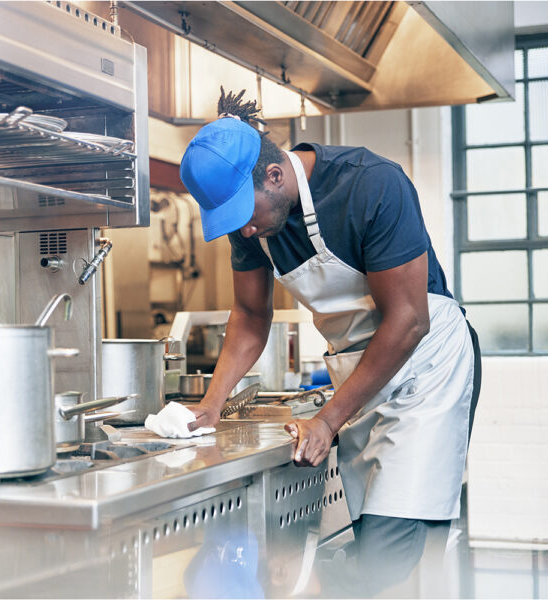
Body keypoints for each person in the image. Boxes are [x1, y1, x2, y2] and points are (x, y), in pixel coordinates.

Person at [179, 89, 482, 596]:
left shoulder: (370, 185)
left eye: (245, 215)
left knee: (390, 544)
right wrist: (212, 404)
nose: (246, 230)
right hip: (362, 382)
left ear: (274, 175)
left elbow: (407, 321)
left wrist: (328, 419)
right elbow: (252, 316)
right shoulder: (251, 224)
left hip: (424, 371)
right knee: (371, 539)